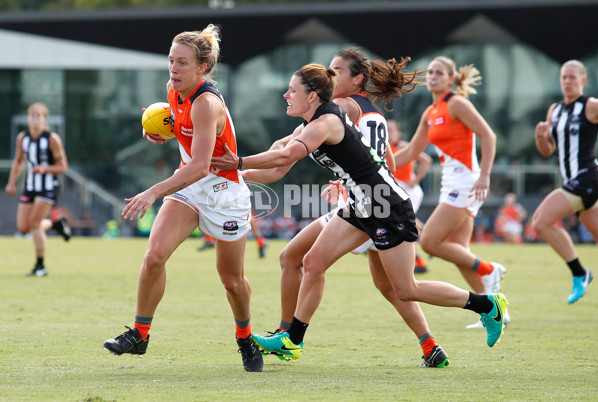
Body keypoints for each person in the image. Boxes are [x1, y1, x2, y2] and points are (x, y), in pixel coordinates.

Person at [211, 63, 508, 364]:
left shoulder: (327, 121)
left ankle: (486, 305)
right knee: (312, 262)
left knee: (405, 289)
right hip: (360, 206)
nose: (286, 94)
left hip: (386, 206)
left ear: (312, 96)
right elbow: (278, 162)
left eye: (292, 90)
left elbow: (288, 155)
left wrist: (236, 162)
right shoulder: (309, 125)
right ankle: (292, 340)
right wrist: (236, 173)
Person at [242, 48, 448, 367]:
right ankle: (430, 346)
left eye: (337, 71)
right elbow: (385, 160)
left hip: (364, 204)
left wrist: (351, 181)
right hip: (372, 200)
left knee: (303, 260)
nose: (330, 75)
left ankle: (288, 336)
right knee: (384, 284)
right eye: (329, 69)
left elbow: (299, 145)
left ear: (357, 80)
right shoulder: (373, 112)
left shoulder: (340, 106)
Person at [103, 25, 263, 372]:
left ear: (202, 69)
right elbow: (182, 132)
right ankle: (140, 334)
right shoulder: (172, 91)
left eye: (182, 63)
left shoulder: (207, 103)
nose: (174, 69)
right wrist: (161, 129)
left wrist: (153, 190)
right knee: (153, 257)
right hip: (189, 188)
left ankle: (245, 338)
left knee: (231, 281)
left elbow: (202, 166)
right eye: (171, 61)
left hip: (224, 194)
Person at [393, 56, 509, 329]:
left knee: (431, 242)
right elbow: (411, 152)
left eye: (439, 72)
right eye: (430, 72)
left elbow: (489, 135)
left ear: (451, 79)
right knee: (459, 253)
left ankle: (489, 269)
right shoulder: (431, 111)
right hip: (451, 184)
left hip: (466, 182)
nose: (432, 76)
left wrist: (485, 175)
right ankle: (494, 312)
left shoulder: (456, 103)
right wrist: (373, 165)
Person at [532, 60, 598, 304]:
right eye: (564, 77)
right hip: (575, 181)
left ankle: (580, 274)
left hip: (587, 177)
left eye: (573, 77)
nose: (568, 82)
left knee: (540, 222)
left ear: (583, 80)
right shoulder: (555, 110)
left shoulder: (591, 106)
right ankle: (581, 274)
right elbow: (547, 150)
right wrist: (540, 137)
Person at [4, 102, 71, 277]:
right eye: (32, 114)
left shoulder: (52, 139)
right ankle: (56, 224)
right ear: (28, 117)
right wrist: (11, 182)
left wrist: (45, 168)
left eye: (38, 114)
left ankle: (40, 266)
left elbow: (63, 166)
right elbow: (18, 161)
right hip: (30, 187)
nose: (35, 117)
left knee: (34, 224)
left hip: (48, 187)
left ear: (44, 118)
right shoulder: (22, 138)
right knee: (23, 227)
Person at [387, 119, 432, 273]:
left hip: (408, 190)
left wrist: (416, 179)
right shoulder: (383, 147)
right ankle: (429, 241)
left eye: (391, 129)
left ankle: (427, 247)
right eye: (386, 128)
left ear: (399, 133)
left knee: (403, 222)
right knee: (406, 222)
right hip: (397, 190)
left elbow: (426, 160)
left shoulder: (402, 146)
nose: (388, 132)